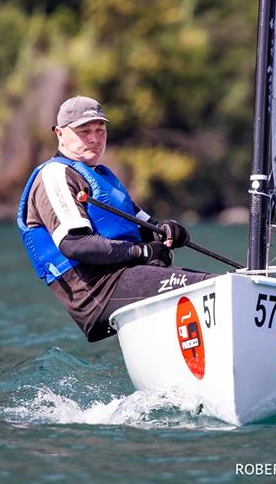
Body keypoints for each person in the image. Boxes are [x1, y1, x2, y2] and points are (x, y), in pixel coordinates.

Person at [17, 95, 214, 342]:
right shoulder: (55, 174)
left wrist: (169, 230)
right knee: (214, 290)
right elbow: (74, 243)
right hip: (98, 291)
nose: (94, 138)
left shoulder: (102, 177)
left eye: (100, 130)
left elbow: (148, 228)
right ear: (59, 134)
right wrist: (142, 252)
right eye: (83, 131)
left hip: (129, 278)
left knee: (220, 285)